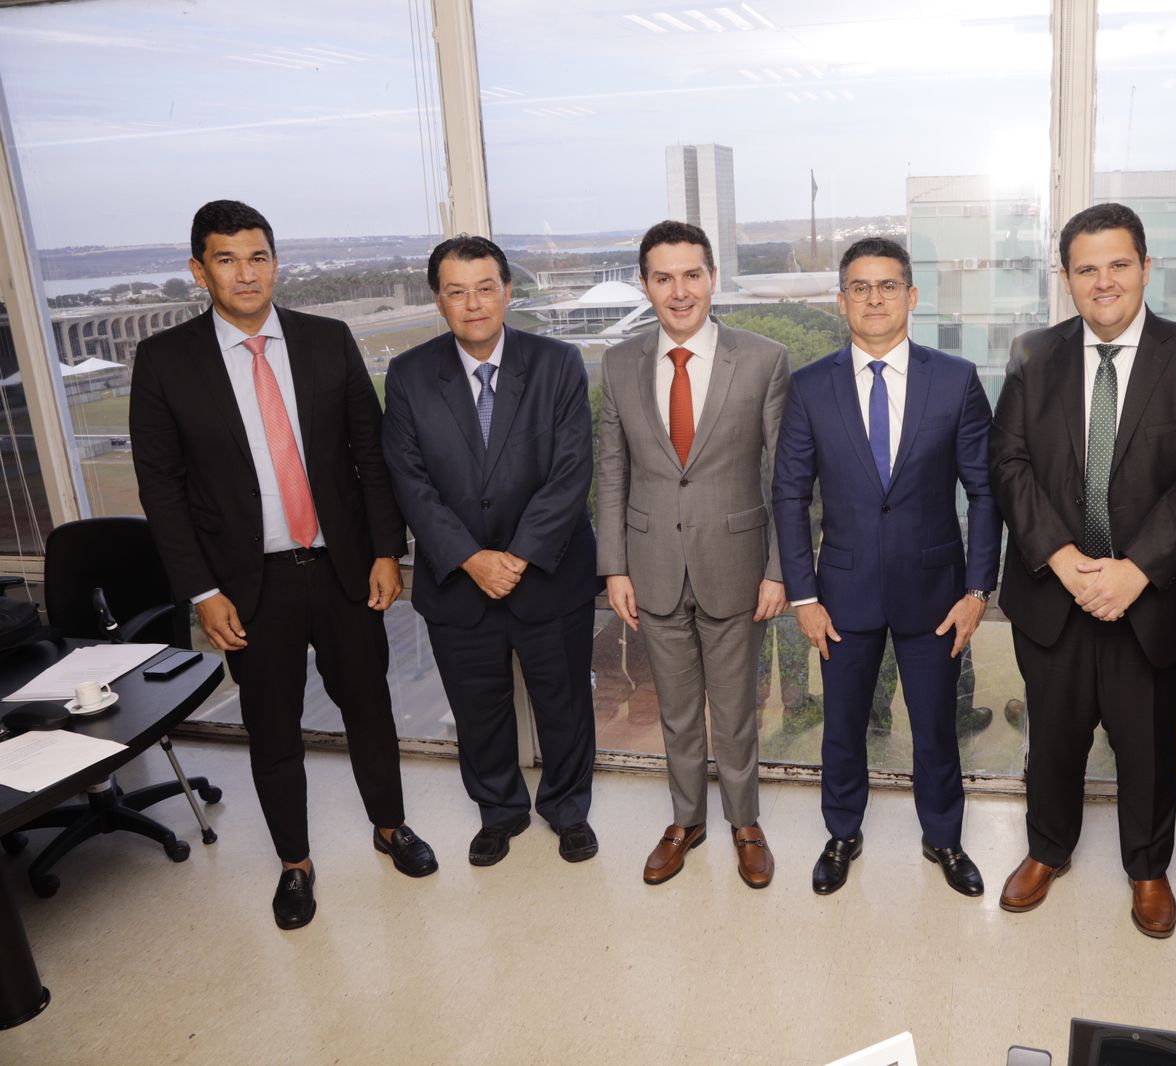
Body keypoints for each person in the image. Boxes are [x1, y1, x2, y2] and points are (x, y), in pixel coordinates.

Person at [130, 199, 436, 930]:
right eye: (227, 259)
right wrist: (202, 591)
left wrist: (387, 551)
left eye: (258, 257)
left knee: (369, 708)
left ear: (276, 263)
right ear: (199, 270)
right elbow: (161, 490)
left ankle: (390, 826)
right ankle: (295, 864)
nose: (246, 273)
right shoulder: (166, 361)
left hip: (343, 568)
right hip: (247, 585)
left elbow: (370, 456)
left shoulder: (328, 340)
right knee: (273, 729)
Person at [989, 202, 1176, 936]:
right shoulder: (1032, 354)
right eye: (1086, 268)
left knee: (1147, 744)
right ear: (1066, 278)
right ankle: (1047, 850)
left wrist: (1135, 569)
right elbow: (1007, 462)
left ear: (1146, 267)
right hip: (1054, 591)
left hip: (1153, 597)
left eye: (1118, 265)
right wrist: (1062, 558)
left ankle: (1147, 868)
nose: (1104, 281)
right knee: (1053, 739)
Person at [772, 237, 1000, 898]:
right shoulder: (809, 386)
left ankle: (944, 838)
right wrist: (803, 596)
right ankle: (842, 833)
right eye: (861, 287)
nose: (875, 299)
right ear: (842, 300)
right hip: (841, 596)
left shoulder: (955, 379)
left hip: (937, 594)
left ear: (911, 296)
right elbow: (789, 495)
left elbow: (986, 492)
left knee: (936, 729)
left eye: (888, 285)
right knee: (843, 728)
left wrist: (978, 590)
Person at [382, 236, 601, 869]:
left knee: (565, 706)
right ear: (438, 300)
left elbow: (571, 472)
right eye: (457, 292)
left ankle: (568, 810)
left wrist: (519, 556)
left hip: (548, 574)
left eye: (485, 288)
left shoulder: (558, 363)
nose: (473, 304)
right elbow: (409, 481)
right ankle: (500, 812)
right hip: (458, 581)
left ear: (507, 291)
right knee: (478, 712)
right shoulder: (409, 375)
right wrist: (472, 558)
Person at [596, 220, 790, 889]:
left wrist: (778, 569)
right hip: (651, 567)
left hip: (737, 567)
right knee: (675, 710)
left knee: (735, 711)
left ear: (712, 278)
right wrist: (615, 566)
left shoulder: (763, 359)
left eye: (691, 275)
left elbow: (786, 478)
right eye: (663, 277)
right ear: (645, 285)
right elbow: (613, 470)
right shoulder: (619, 363)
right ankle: (687, 820)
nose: (679, 291)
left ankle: (744, 823)